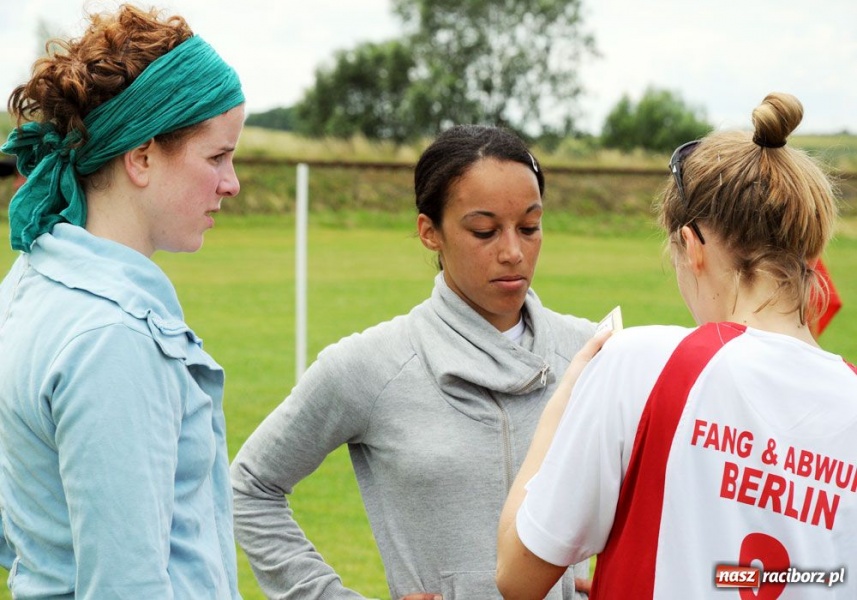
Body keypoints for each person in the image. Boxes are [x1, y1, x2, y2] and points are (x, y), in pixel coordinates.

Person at [496, 92, 857, 599]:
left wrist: (568, 392)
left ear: (692, 246)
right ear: (813, 252)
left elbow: (516, 574)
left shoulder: (638, 362)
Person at [230, 125, 597, 599]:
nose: (513, 251)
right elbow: (250, 487)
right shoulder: (369, 366)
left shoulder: (593, 354)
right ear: (430, 232)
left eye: (529, 227)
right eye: (484, 230)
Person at [0, 4, 245, 598]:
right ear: (140, 156)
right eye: (216, 156)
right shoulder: (112, 338)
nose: (231, 182)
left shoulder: (32, 282)